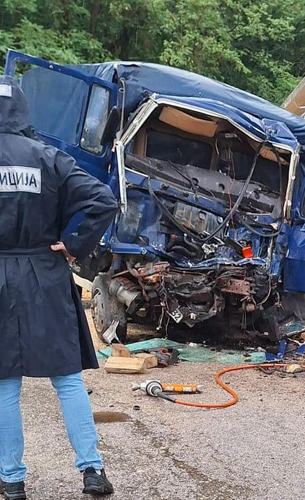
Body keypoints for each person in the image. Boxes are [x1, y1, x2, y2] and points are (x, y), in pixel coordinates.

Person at [0, 76, 118, 498]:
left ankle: (12, 482)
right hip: (45, 275)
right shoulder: (48, 158)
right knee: (67, 379)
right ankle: (92, 471)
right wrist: (74, 244)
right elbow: (103, 200)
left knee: (3, 385)